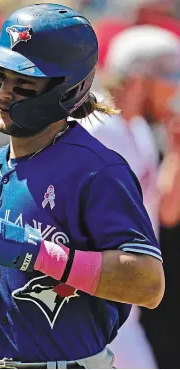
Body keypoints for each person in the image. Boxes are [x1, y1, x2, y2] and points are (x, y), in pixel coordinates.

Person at [0, 3, 165, 369]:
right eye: (0, 78)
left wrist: (40, 254)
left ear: (69, 88)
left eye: (24, 84)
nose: (5, 93)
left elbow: (148, 284)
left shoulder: (97, 170)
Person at [82, 24, 180, 369]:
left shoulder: (137, 129)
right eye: (171, 78)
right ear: (141, 78)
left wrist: (178, 151)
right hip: (92, 310)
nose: (174, 91)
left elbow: (165, 214)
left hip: (126, 311)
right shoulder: (95, 127)